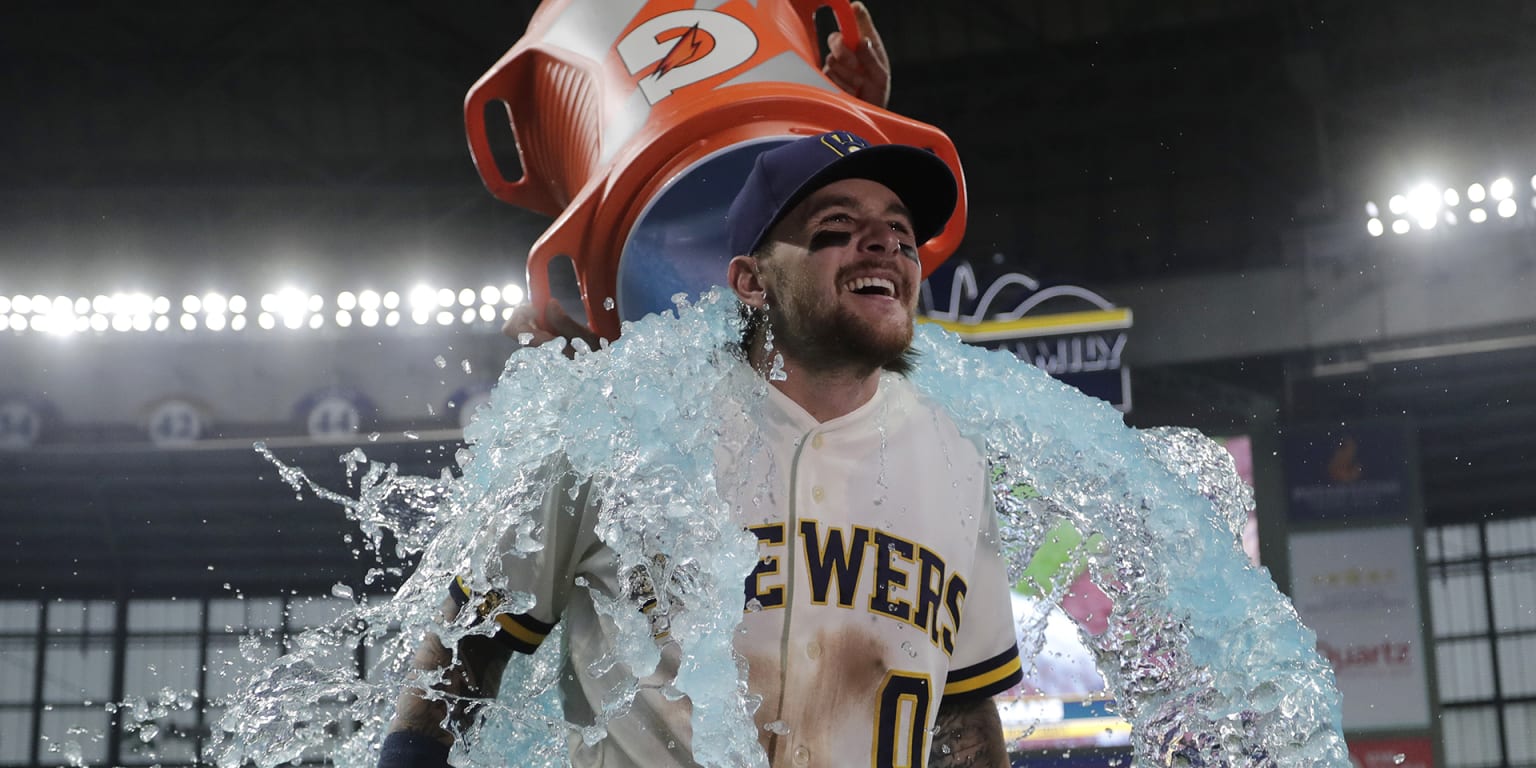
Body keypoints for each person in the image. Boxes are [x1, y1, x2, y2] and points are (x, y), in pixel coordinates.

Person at [379, 131, 1023, 768]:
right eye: (836, 225)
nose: (887, 243)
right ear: (750, 281)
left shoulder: (956, 458)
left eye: (902, 235)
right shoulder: (618, 427)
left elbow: (963, 715)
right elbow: (466, 646)